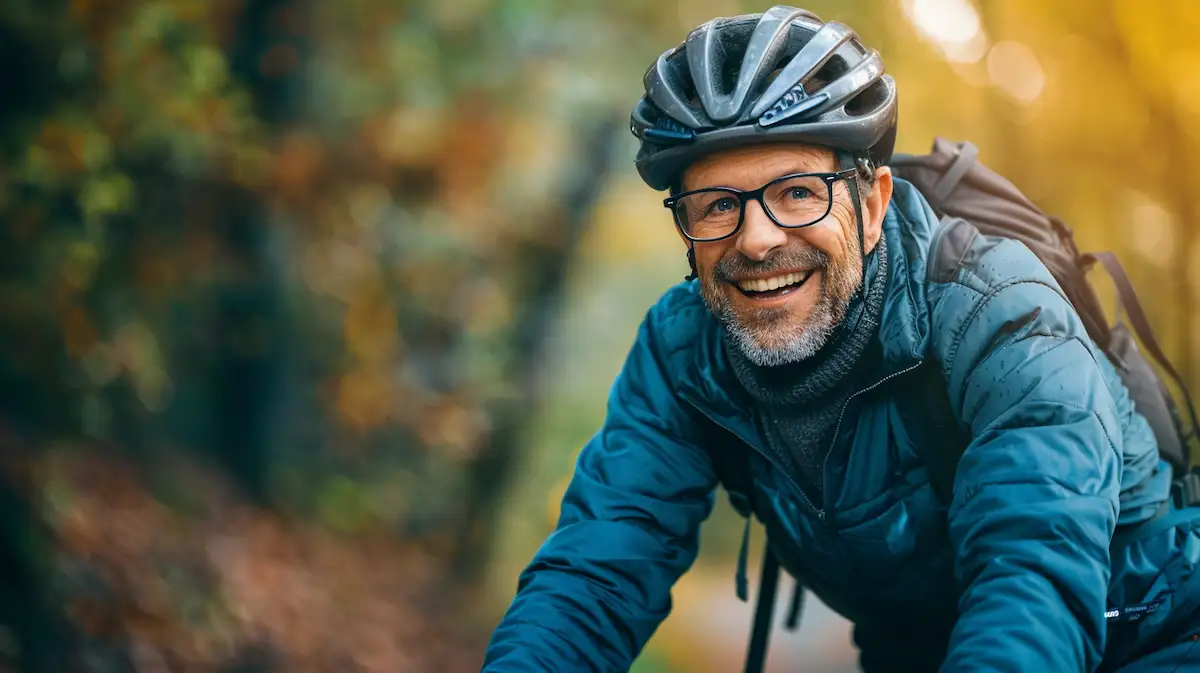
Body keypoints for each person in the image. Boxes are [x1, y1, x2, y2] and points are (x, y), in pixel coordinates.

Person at [481, 6, 1200, 672]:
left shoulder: (997, 311)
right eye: (718, 205)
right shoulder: (683, 352)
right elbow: (597, 570)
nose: (756, 240)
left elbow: (1035, 562)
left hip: (1153, 630)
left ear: (874, 202)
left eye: (798, 192)